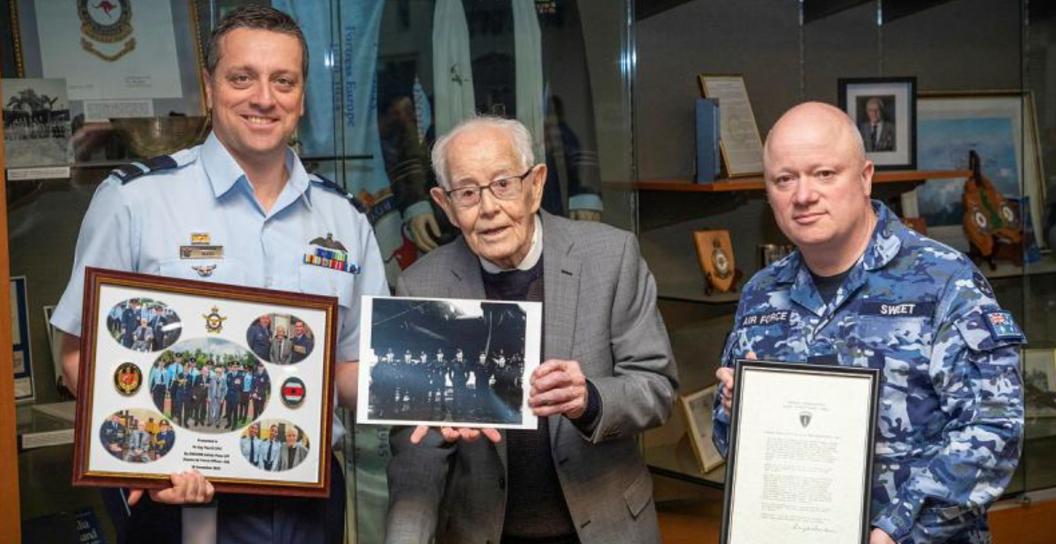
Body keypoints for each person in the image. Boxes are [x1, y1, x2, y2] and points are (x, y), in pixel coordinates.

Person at [49, 6, 388, 542]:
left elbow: (353, 366)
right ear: (210, 88)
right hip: (182, 499)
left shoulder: (344, 218)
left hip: (310, 497)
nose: (263, 98)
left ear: (301, 97)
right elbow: (77, 351)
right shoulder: (136, 200)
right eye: (241, 78)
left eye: (283, 81)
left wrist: (433, 396)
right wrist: (143, 457)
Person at [712, 102, 1024, 544]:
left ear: (865, 176)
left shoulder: (943, 281)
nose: (803, 195)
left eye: (824, 173)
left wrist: (896, 530)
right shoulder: (762, 292)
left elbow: (994, 430)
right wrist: (736, 411)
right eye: (785, 179)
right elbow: (730, 442)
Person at [385, 117, 678, 543]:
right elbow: (417, 452)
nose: (488, 208)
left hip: (606, 527)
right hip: (485, 531)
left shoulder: (611, 257)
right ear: (445, 205)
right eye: (467, 192)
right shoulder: (422, 286)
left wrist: (590, 400)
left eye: (503, 183)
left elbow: (657, 388)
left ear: (535, 184)